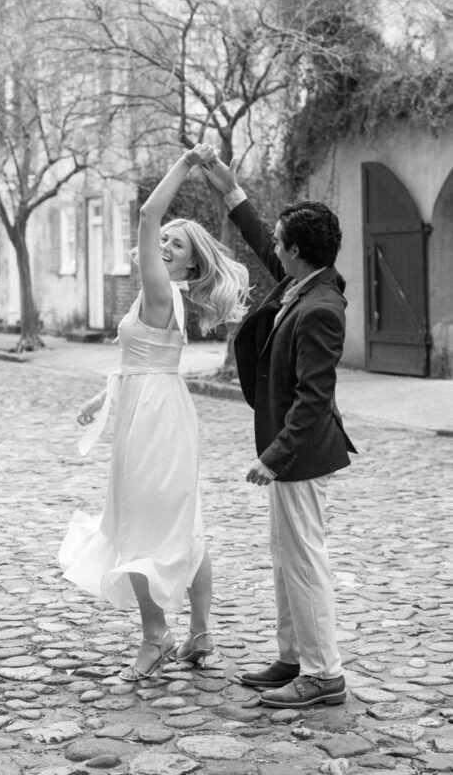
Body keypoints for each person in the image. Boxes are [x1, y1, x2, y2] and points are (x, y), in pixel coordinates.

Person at [59, 146, 249, 681]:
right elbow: (139, 359)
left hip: (154, 419)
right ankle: (202, 632)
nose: (162, 243)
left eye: (175, 242)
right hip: (160, 406)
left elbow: (146, 214)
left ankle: (155, 636)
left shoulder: (161, 289)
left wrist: (187, 165)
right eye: (163, 240)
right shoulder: (175, 295)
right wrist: (105, 397)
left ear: (191, 261)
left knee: (141, 524)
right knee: (182, 523)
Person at [200, 150, 357, 709]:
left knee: (305, 559)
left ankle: (324, 674)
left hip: (301, 455)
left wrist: (274, 457)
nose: (276, 249)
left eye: (281, 243)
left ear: (296, 252)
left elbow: (314, 400)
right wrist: (232, 192)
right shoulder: (304, 279)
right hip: (289, 453)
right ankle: (294, 658)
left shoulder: (320, 307)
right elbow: (264, 239)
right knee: (285, 554)